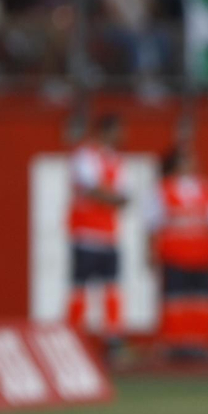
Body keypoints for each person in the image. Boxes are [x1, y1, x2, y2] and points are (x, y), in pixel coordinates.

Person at [148, 143, 208, 358]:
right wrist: (151, 252)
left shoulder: (206, 188)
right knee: (176, 301)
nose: (193, 163)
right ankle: (175, 344)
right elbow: (153, 224)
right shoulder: (163, 189)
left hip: (202, 254)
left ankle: (202, 343)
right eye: (187, 158)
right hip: (175, 254)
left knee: (203, 301)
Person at [67, 113, 128, 341]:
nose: (122, 136)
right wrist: (110, 197)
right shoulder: (85, 156)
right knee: (80, 287)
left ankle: (113, 338)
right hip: (85, 233)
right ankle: (73, 336)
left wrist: (108, 197)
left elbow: (119, 195)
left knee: (112, 287)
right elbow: (93, 189)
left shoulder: (116, 160)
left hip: (109, 234)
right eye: (118, 131)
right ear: (105, 131)